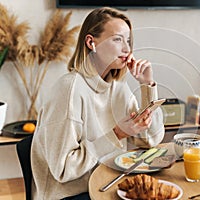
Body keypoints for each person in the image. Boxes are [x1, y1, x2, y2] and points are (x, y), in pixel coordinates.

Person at [31, 7, 165, 199]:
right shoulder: (69, 90)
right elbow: (63, 170)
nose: (127, 49)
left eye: (128, 40)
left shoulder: (117, 87)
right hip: (72, 194)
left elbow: (151, 139)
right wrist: (118, 134)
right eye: (118, 39)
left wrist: (147, 86)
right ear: (91, 42)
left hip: (109, 184)